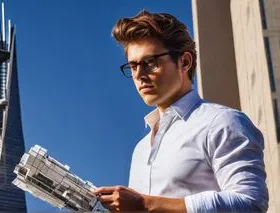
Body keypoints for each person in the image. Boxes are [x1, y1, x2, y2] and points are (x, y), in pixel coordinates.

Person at [93, 10, 269, 213]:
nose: (139, 75)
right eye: (133, 66)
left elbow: (250, 203)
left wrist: (145, 204)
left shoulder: (222, 122)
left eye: (150, 62)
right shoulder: (141, 150)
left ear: (184, 62)